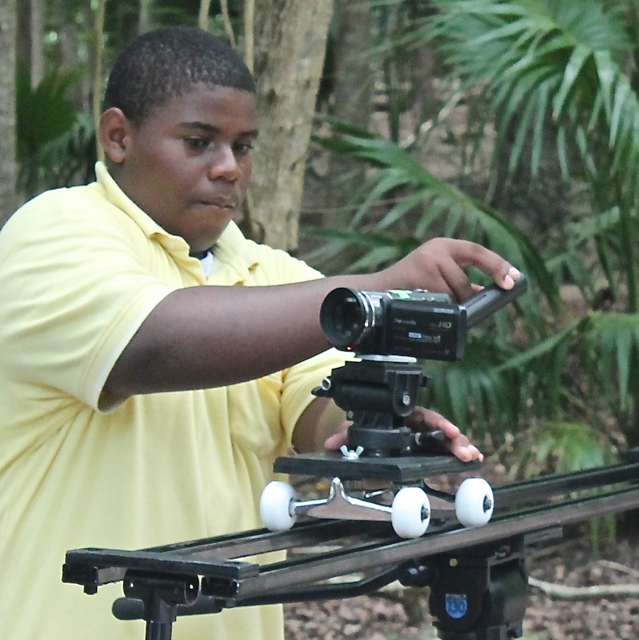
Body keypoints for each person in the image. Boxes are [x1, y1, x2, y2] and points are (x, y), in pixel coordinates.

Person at [0, 26, 521, 640]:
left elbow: (316, 409)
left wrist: (375, 430)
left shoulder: (274, 277)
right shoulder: (52, 234)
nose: (228, 169)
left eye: (243, 147)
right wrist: (372, 289)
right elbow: (152, 345)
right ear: (118, 136)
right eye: (199, 142)